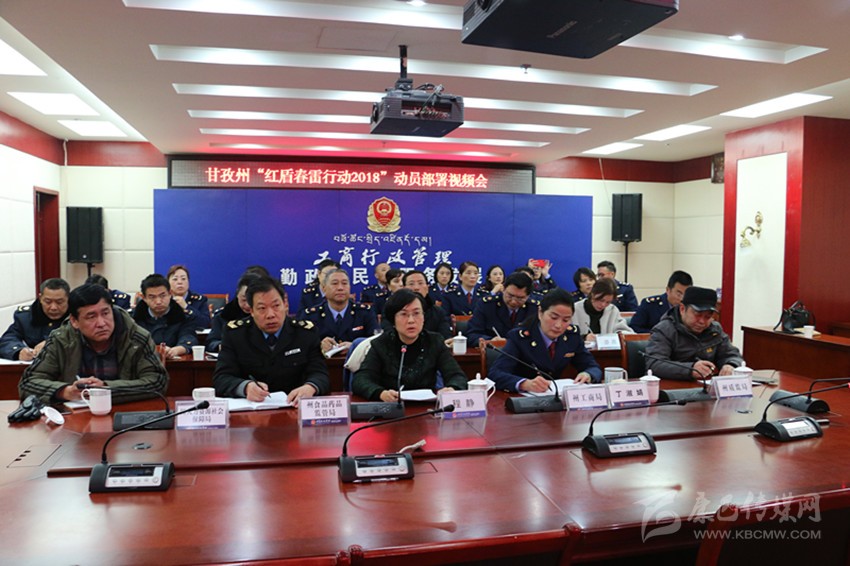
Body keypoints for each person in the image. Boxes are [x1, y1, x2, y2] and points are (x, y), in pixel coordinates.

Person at [18, 283, 168, 404]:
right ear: (74, 321)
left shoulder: (136, 337)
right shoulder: (61, 339)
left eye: (105, 313)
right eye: (91, 316)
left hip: (125, 414)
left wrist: (106, 389)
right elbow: (28, 383)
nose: (101, 323)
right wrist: (65, 391)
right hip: (75, 420)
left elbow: (157, 382)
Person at [213, 276, 329, 405]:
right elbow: (221, 378)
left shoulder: (305, 333)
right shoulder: (235, 334)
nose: (270, 315)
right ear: (251, 311)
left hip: (294, 408)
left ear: (285, 305)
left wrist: (310, 387)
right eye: (262, 308)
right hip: (251, 411)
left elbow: (320, 374)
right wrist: (245, 387)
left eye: (276, 306)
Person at [352, 289, 468, 402]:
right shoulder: (381, 343)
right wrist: (381, 393)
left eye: (416, 313)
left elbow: (457, 376)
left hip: (426, 408)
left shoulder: (435, 341)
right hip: (392, 407)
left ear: (423, 317)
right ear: (393, 319)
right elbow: (361, 380)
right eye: (404, 314)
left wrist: (452, 388)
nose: (411, 320)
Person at [489, 288, 602, 393]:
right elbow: (496, 373)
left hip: (556, 397)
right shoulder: (520, 338)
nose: (558, 325)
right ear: (540, 313)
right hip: (524, 400)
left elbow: (593, 367)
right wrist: (524, 384)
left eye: (566, 320)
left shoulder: (572, 336)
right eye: (553, 317)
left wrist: (588, 374)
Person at [645, 286, 743, 381]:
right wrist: (690, 369)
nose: (702, 321)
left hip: (705, 385)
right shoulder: (664, 330)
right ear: (682, 309)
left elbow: (733, 355)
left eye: (707, 317)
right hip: (673, 387)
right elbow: (654, 364)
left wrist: (731, 365)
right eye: (698, 315)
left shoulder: (715, 329)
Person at [301, 268, 379, 356]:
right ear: (324, 288)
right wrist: (319, 345)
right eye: (334, 284)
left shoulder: (365, 312)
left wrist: (354, 346)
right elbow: (302, 344)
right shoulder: (311, 315)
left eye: (344, 283)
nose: (340, 288)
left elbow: (375, 341)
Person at [0, 278, 70, 361]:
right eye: (48, 302)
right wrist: (18, 351)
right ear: (40, 298)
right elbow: (7, 340)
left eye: (59, 302)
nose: (53, 307)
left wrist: (52, 343)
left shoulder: (77, 316)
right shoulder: (26, 317)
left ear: (68, 299)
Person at [132, 273, 200, 359]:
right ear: (144, 298)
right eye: (152, 297)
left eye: (162, 296)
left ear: (170, 294)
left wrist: (175, 350)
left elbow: (188, 337)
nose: (158, 301)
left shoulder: (183, 316)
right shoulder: (134, 319)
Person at [466, 272, 536, 346]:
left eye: (520, 298)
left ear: (528, 296)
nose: (513, 301)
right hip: (493, 351)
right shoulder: (487, 305)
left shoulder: (534, 309)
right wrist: (490, 340)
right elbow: (472, 334)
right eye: (510, 296)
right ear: (503, 289)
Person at [380, 269, 451, 338]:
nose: (416, 288)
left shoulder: (438, 312)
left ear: (427, 288)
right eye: (411, 284)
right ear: (404, 288)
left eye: (420, 283)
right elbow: (389, 333)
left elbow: (445, 337)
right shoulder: (392, 309)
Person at [206, 271, 263, 353]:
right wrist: (221, 346)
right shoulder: (223, 315)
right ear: (237, 295)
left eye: (251, 300)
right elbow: (211, 343)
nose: (247, 305)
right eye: (244, 300)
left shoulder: (267, 316)